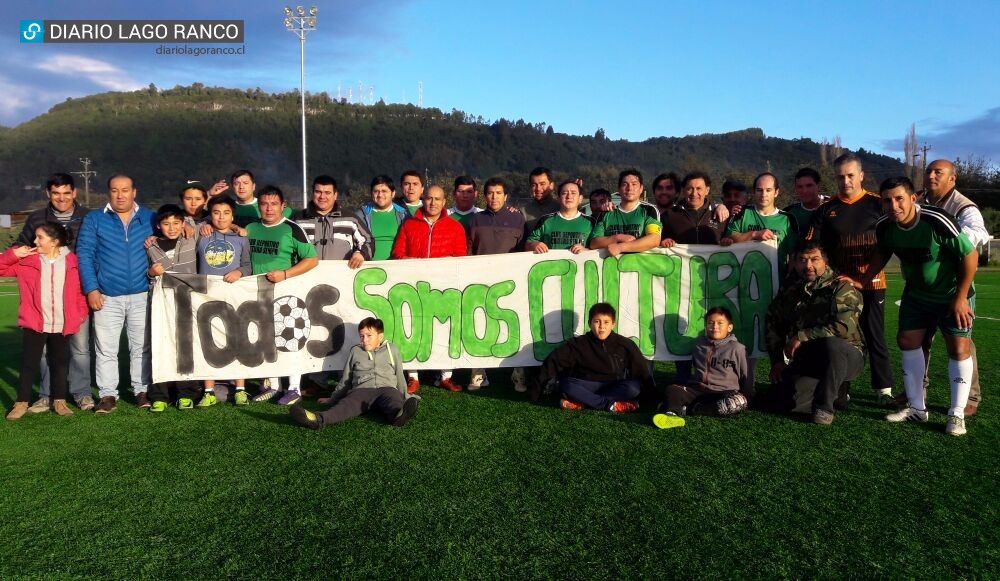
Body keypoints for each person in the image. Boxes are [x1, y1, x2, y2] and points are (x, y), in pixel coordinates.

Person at [852, 177, 978, 436]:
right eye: (887, 200)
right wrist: (864, 279)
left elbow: (970, 255)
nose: (893, 205)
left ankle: (956, 414)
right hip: (917, 295)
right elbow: (883, 252)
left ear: (913, 198)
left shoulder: (937, 221)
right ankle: (917, 408)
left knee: (959, 346)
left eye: (899, 198)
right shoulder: (885, 226)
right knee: (907, 341)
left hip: (951, 293)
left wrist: (961, 297)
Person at [806, 153, 894, 402]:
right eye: (840, 176)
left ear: (861, 175)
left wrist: (867, 275)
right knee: (840, 335)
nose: (845, 181)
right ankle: (842, 388)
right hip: (840, 285)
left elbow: (890, 239)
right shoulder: (826, 209)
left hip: (872, 281)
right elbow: (813, 246)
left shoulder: (879, 204)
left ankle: (883, 389)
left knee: (874, 334)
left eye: (850, 175)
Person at [76, 174, 156, 414]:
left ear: (134, 192)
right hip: (107, 296)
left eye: (125, 190)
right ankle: (108, 394)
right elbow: (85, 254)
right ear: (108, 192)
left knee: (141, 347)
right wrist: (91, 288)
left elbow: (175, 230)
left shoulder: (150, 217)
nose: (120, 195)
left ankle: (142, 390)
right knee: (106, 349)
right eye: (114, 190)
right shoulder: (94, 219)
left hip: (142, 294)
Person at [14, 173, 94, 412]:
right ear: (48, 194)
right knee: (44, 352)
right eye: (56, 193)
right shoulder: (38, 218)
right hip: (45, 296)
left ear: (74, 193)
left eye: (66, 193)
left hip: (76, 292)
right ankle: (47, 395)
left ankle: (81, 393)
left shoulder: (88, 216)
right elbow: (21, 246)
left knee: (80, 348)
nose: (62, 198)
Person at [916, 159, 989, 416]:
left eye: (939, 172)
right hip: (923, 287)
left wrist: (942, 238)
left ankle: (971, 395)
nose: (932, 176)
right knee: (918, 339)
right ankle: (916, 390)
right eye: (928, 171)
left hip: (954, 287)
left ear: (952, 178)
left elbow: (978, 233)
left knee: (961, 342)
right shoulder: (918, 201)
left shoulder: (964, 206)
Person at [764, 241, 865, 425]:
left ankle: (824, 408)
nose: (808, 265)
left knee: (832, 344)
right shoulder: (790, 290)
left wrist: (801, 337)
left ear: (825, 262)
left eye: (814, 259)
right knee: (778, 400)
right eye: (802, 260)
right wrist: (777, 361)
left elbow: (843, 327)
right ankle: (837, 393)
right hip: (808, 357)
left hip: (846, 355)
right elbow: (773, 323)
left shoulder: (841, 287)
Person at [293, 174, 373, 396]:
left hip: (343, 287)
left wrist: (361, 253)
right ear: (312, 193)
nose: (323, 196)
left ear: (335, 195)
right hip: (309, 287)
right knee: (314, 330)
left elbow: (368, 241)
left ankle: (346, 378)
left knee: (346, 328)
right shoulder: (299, 220)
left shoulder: (350, 219)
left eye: (328, 192)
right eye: (318, 192)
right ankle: (316, 379)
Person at [1, 223, 89, 419]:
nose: (34, 241)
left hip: (62, 323)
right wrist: (14, 254)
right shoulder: (27, 260)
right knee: (29, 363)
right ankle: (21, 403)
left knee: (59, 363)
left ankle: (59, 401)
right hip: (35, 322)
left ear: (54, 241)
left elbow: (79, 291)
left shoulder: (72, 261)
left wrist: (79, 314)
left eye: (40, 237)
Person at [391, 185, 468, 392]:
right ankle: (413, 376)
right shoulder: (409, 225)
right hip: (415, 286)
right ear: (423, 200)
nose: (433, 203)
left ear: (444, 202)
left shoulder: (455, 227)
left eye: (437, 199)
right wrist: (416, 264)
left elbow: (461, 258)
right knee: (414, 327)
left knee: (446, 328)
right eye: (429, 199)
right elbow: (398, 253)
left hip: (444, 287)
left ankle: (446, 375)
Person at [246, 186, 319, 405]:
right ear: (259, 206)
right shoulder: (250, 228)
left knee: (289, 338)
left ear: (283, 206)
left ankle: (294, 387)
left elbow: (312, 259)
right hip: (257, 292)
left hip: (286, 293)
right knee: (264, 338)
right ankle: (273, 386)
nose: (268, 209)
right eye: (264, 204)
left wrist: (286, 274)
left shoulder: (292, 229)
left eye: (274, 204)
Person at [289, 317, 419, 430]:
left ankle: (399, 416)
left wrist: (405, 395)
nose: (364, 340)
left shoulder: (392, 349)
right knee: (345, 406)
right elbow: (346, 379)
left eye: (369, 335)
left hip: (387, 389)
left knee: (394, 403)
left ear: (380, 336)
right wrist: (333, 398)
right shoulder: (355, 351)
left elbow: (399, 375)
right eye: (362, 336)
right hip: (361, 391)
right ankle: (317, 419)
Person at [466, 177, 526, 390]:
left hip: (510, 281)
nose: (494, 197)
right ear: (484, 196)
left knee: (514, 324)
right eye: (490, 193)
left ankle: (518, 371)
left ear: (506, 196)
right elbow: (469, 251)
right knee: (480, 325)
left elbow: (523, 251)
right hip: (481, 280)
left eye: (498, 193)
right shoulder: (476, 219)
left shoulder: (518, 219)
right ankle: (479, 371)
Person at [533, 302, 648, 412]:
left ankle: (582, 402)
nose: (602, 326)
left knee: (634, 388)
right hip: (585, 385)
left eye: (606, 322)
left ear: (613, 324)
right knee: (565, 385)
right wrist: (536, 391)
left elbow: (641, 369)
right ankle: (611, 405)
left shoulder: (625, 344)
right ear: (589, 323)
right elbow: (553, 361)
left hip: (614, 385)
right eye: (597, 321)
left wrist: (653, 397)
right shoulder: (578, 344)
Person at [145, 204, 204, 412]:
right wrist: (151, 273)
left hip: (188, 302)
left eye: (176, 223)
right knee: (160, 347)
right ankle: (159, 394)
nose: (171, 228)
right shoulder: (150, 245)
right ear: (158, 226)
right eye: (166, 224)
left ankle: (187, 392)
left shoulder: (191, 237)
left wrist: (189, 223)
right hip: (161, 305)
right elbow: (146, 275)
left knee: (185, 347)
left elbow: (212, 221)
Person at [653, 307, 750, 429]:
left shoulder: (737, 348)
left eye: (720, 323)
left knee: (737, 402)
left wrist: (746, 395)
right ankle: (672, 414)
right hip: (698, 389)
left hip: (723, 392)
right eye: (710, 323)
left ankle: (692, 409)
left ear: (729, 327)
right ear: (705, 326)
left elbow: (745, 375)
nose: (715, 326)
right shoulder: (699, 344)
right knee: (672, 390)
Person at [197, 195, 253, 405]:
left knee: (237, 338)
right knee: (206, 339)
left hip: (233, 296)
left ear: (233, 215)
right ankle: (208, 391)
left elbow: (248, 265)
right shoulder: (201, 235)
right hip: (206, 296)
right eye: (216, 213)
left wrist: (239, 271)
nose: (221, 217)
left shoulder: (241, 238)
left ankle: (240, 389)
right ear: (209, 215)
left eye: (226, 213)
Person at [722, 172, 799, 271]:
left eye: (768, 190)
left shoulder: (787, 219)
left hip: (777, 281)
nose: (763, 194)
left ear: (776, 192)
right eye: (759, 190)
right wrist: (754, 234)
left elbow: (794, 255)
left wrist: (788, 280)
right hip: (744, 279)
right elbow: (729, 239)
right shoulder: (741, 212)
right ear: (754, 191)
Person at [589, 169, 662, 256]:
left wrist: (621, 247)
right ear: (619, 189)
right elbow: (594, 243)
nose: (629, 188)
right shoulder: (607, 212)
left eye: (634, 184)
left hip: (641, 267)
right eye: (625, 184)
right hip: (611, 267)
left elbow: (654, 239)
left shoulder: (649, 210)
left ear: (641, 188)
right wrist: (617, 238)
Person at [525, 180, 595, 254]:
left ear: (580, 198)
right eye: (564, 193)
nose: (569, 196)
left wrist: (587, 251)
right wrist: (534, 245)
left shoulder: (590, 222)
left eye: (573, 193)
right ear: (558, 198)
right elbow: (528, 244)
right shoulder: (545, 220)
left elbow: (599, 247)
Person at [660, 171, 727, 247]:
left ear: (707, 190)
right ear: (684, 191)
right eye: (689, 189)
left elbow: (731, 239)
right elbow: (657, 240)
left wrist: (728, 240)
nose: (694, 193)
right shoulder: (669, 215)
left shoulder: (721, 214)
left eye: (699, 188)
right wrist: (663, 241)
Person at [356, 175, 408, 261]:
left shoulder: (404, 215)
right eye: (376, 191)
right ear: (371, 193)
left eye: (384, 191)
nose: (380, 195)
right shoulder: (360, 216)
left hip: (396, 267)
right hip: (367, 268)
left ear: (393, 193)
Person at [227, 169, 292, 227]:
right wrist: (216, 195)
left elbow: (293, 213)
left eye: (245, 183)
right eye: (237, 184)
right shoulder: (228, 207)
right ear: (232, 187)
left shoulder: (266, 204)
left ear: (253, 186)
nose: (241, 187)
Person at [784, 167, 827, 237]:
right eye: (800, 187)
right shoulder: (789, 214)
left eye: (809, 186)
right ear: (795, 189)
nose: (804, 191)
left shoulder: (835, 206)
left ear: (819, 186)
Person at [521, 167, 560, 236]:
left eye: (542, 184)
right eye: (534, 185)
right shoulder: (523, 212)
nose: (538, 188)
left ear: (551, 185)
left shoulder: (561, 208)